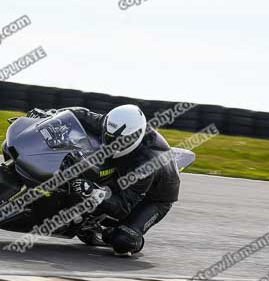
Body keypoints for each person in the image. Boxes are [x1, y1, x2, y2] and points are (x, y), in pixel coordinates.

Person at [26, 105, 180, 256]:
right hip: (123, 171)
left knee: (122, 241)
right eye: (108, 137)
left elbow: (123, 206)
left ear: (133, 137)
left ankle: (115, 233)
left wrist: (93, 192)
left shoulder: (145, 163)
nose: (110, 143)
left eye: (117, 141)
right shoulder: (113, 125)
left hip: (153, 199)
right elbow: (80, 114)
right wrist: (49, 115)